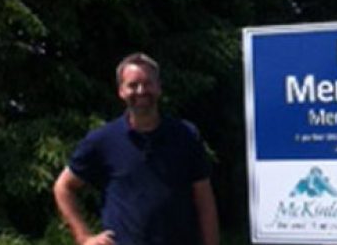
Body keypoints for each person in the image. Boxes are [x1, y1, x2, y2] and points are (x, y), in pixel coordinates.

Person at [53, 52, 219, 245]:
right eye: (132, 85)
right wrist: (83, 237)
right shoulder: (102, 140)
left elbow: (204, 200)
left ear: (158, 88)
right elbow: (63, 187)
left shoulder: (186, 135)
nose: (141, 91)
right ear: (121, 91)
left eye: (147, 83)